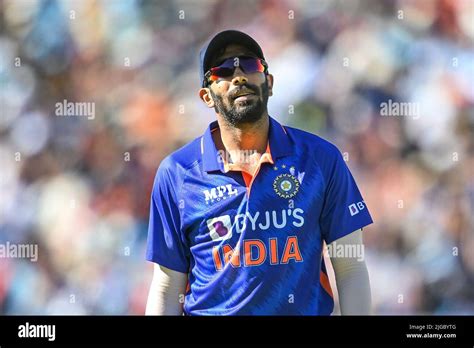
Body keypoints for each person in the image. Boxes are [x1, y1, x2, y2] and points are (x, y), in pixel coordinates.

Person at [145, 30, 373, 315]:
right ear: (206, 97)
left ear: (269, 82)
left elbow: (350, 267)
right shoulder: (177, 173)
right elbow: (167, 287)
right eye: (224, 70)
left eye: (249, 65)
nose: (239, 76)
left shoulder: (320, 159)